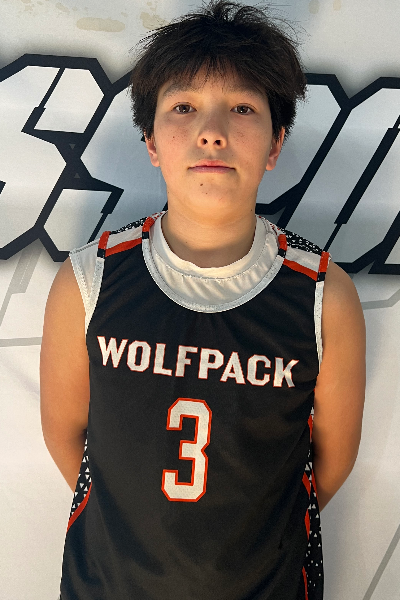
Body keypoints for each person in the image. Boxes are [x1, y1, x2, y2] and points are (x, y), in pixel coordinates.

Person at [40, 1, 366, 599]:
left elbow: (330, 462)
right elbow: (66, 435)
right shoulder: (90, 279)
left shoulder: (324, 295)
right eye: (183, 107)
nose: (211, 131)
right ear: (151, 141)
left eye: (242, 108)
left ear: (275, 143)